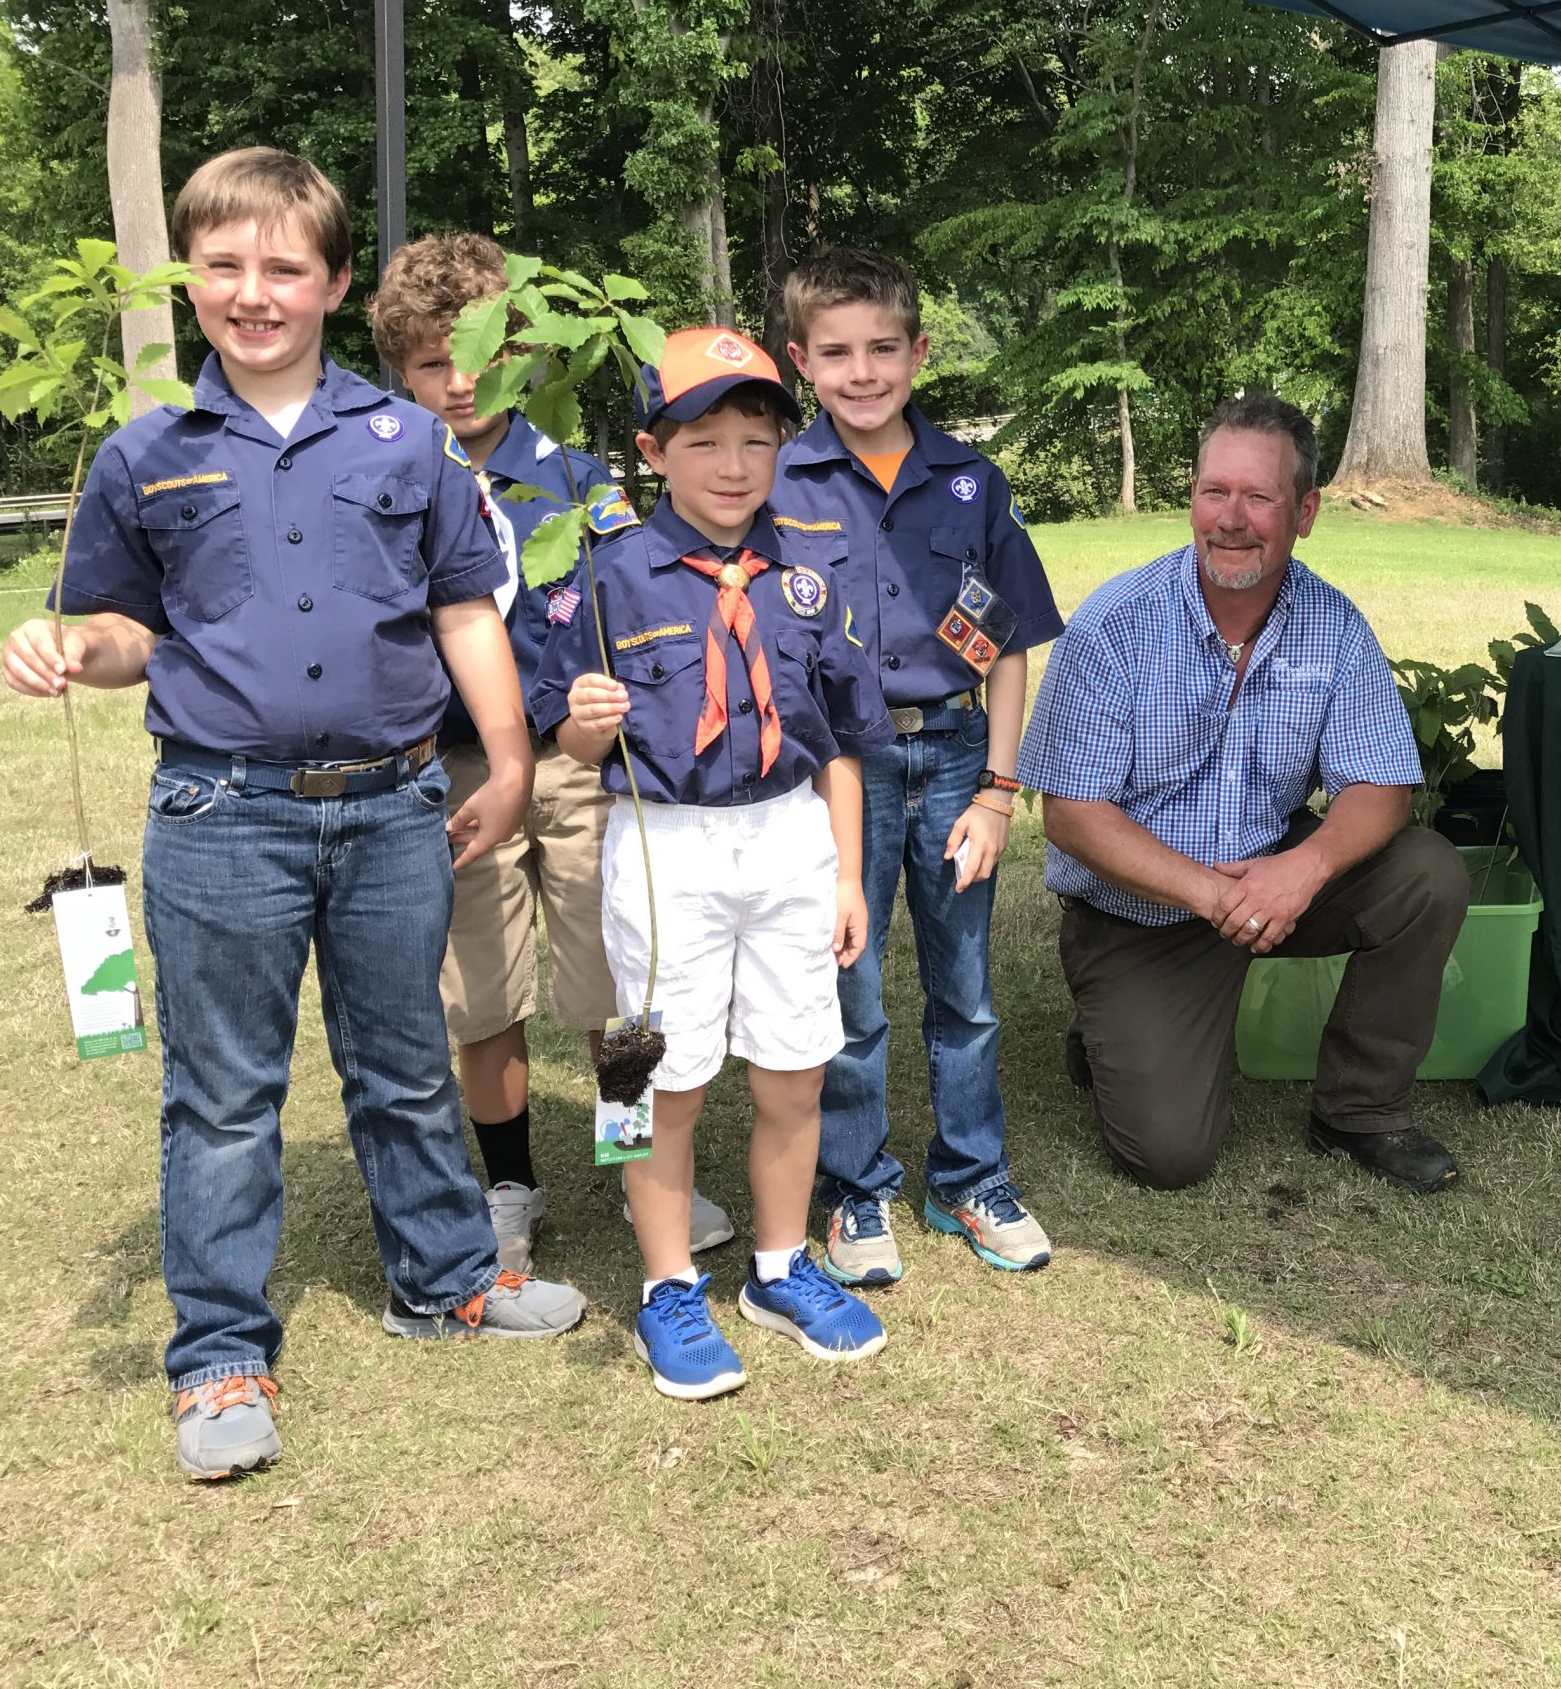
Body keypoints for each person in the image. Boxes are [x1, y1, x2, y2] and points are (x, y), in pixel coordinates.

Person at [0, 148, 587, 1482]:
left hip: (393, 810)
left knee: (404, 1063)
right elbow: (125, 631)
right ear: (191, 281)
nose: (253, 292)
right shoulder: (145, 455)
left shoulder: (407, 440)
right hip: (221, 815)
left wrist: (504, 760)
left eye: (283, 267)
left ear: (331, 282)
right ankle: (218, 1355)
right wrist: (72, 648)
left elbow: (462, 610)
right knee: (222, 1098)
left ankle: (446, 1277)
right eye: (224, 266)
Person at [535, 326, 895, 1400]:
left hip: (790, 836)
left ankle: (780, 1268)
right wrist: (587, 722)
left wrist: (845, 875)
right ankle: (666, 1286)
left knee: (795, 1068)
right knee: (649, 1074)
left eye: (756, 439)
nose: (734, 465)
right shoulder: (607, 577)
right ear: (653, 451)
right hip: (663, 846)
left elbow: (840, 741)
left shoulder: (810, 572)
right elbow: (572, 740)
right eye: (703, 442)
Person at [369, 234, 734, 1271]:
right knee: (483, 988)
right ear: (401, 371)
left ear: (525, 356)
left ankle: (638, 1167)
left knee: (618, 978)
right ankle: (509, 1185)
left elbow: (636, 602)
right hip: (456, 769)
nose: (460, 384)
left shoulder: (575, 479)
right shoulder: (384, 480)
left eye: (482, 360)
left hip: (579, 764)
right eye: (433, 364)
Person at [1017, 394, 1470, 1193]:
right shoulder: (1114, 625)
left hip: (1276, 878)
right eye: (1213, 492)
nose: (1231, 519)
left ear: (1305, 512)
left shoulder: (1335, 626)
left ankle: (1360, 1110)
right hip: (1142, 912)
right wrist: (1213, 895)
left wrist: (1302, 870)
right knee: (1169, 1156)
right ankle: (1106, 1024)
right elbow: (1072, 815)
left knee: (1426, 873)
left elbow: (1382, 785)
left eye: (1259, 497)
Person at [771, 247, 1065, 1285]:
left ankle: (970, 1178)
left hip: (952, 760)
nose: (862, 373)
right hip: (836, 768)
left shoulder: (971, 482)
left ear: (919, 352)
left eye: (883, 349)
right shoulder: (777, 484)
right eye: (837, 353)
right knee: (848, 988)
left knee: (966, 989)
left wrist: (997, 793)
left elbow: (1008, 643)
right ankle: (855, 1189)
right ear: (800, 360)